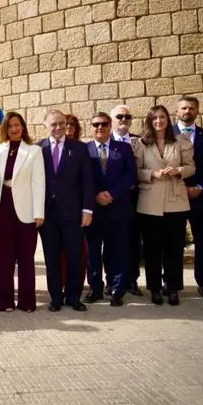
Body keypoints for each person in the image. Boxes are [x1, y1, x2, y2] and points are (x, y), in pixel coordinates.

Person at [135, 105, 195, 306]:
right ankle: (154, 288)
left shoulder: (180, 141)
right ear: (149, 122)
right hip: (150, 202)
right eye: (154, 118)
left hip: (175, 201)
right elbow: (135, 171)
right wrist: (152, 174)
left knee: (174, 249)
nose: (158, 121)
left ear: (168, 120)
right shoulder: (141, 144)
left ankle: (173, 287)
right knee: (152, 249)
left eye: (162, 117)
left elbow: (191, 167)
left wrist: (178, 170)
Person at [38, 109, 94, 312]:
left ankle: (73, 296)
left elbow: (87, 180)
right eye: (54, 124)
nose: (59, 127)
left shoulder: (79, 148)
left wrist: (88, 209)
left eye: (62, 123)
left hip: (73, 212)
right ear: (45, 125)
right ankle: (55, 298)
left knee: (74, 256)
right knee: (51, 257)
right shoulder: (38, 149)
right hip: (47, 214)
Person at [0, 112, 45, 312]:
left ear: (23, 127)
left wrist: (39, 212)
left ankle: (27, 301)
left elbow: (39, 183)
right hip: (1, 207)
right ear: (5, 128)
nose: (14, 129)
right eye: (10, 125)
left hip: (26, 210)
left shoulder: (34, 151)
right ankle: (3, 301)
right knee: (2, 258)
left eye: (17, 125)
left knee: (25, 257)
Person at [84, 112, 136, 307]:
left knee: (118, 251)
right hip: (94, 209)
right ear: (91, 127)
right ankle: (95, 288)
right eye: (96, 124)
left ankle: (116, 289)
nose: (100, 127)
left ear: (110, 125)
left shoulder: (123, 148)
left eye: (104, 124)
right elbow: (82, 178)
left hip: (118, 207)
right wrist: (96, 195)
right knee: (93, 252)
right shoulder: (85, 149)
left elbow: (130, 175)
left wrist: (112, 194)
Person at [173, 96, 203, 298]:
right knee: (173, 241)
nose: (187, 111)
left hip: (199, 196)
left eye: (191, 108)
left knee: (202, 241)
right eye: (183, 108)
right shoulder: (165, 134)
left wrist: (200, 186)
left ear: (197, 111)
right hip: (173, 196)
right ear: (176, 111)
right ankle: (173, 284)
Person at [111, 104, 144, 297]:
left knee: (132, 241)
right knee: (111, 242)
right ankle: (112, 280)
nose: (124, 120)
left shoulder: (140, 142)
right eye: (119, 116)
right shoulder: (104, 141)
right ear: (112, 120)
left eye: (128, 117)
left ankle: (131, 280)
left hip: (135, 197)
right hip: (110, 198)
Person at [61, 113, 87, 288]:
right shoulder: (44, 147)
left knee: (77, 251)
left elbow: (86, 180)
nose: (68, 126)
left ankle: (75, 287)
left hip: (75, 208)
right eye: (65, 123)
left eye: (72, 124)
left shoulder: (81, 149)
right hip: (55, 209)